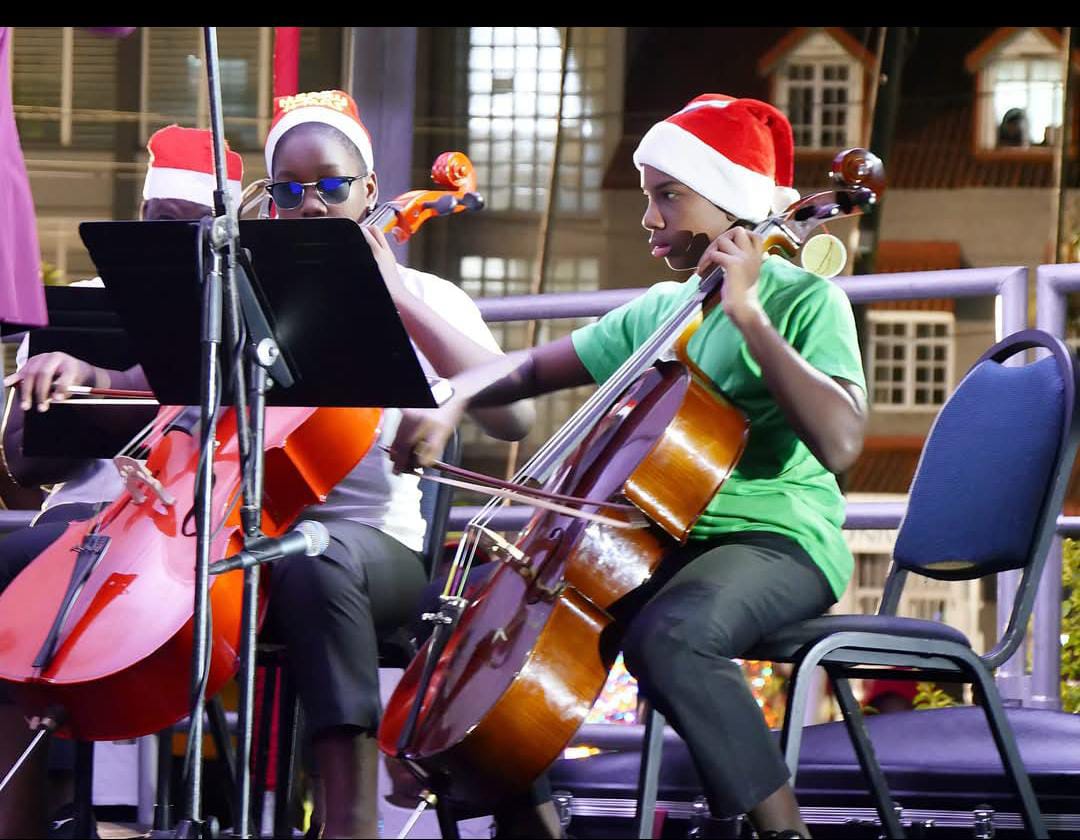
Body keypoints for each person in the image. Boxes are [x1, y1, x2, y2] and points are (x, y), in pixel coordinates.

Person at [391, 94, 869, 840]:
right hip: (661, 545)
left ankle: (784, 832)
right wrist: (451, 399)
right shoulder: (663, 311)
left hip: (778, 540)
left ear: (735, 205)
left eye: (669, 196)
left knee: (668, 636)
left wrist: (748, 314)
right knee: (477, 644)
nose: (650, 217)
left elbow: (841, 444)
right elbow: (525, 371)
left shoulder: (806, 301)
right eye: (649, 196)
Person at [256, 89, 537, 839]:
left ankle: (351, 821)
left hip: (376, 555)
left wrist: (399, 297)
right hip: (247, 543)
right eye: (289, 190)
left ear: (371, 193)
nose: (311, 205)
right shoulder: (251, 300)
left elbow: (515, 413)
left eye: (332, 186)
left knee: (319, 559)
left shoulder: (430, 295)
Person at [0, 124, 243, 839]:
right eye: (161, 224)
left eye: (196, 228)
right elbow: (21, 462)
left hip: (187, 522)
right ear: (140, 219)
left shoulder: (239, 306)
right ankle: (24, 817)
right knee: (12, 574)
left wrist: (113, 387)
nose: (173, 241)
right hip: (84, 514)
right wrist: (62, 397)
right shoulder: (80, 303)